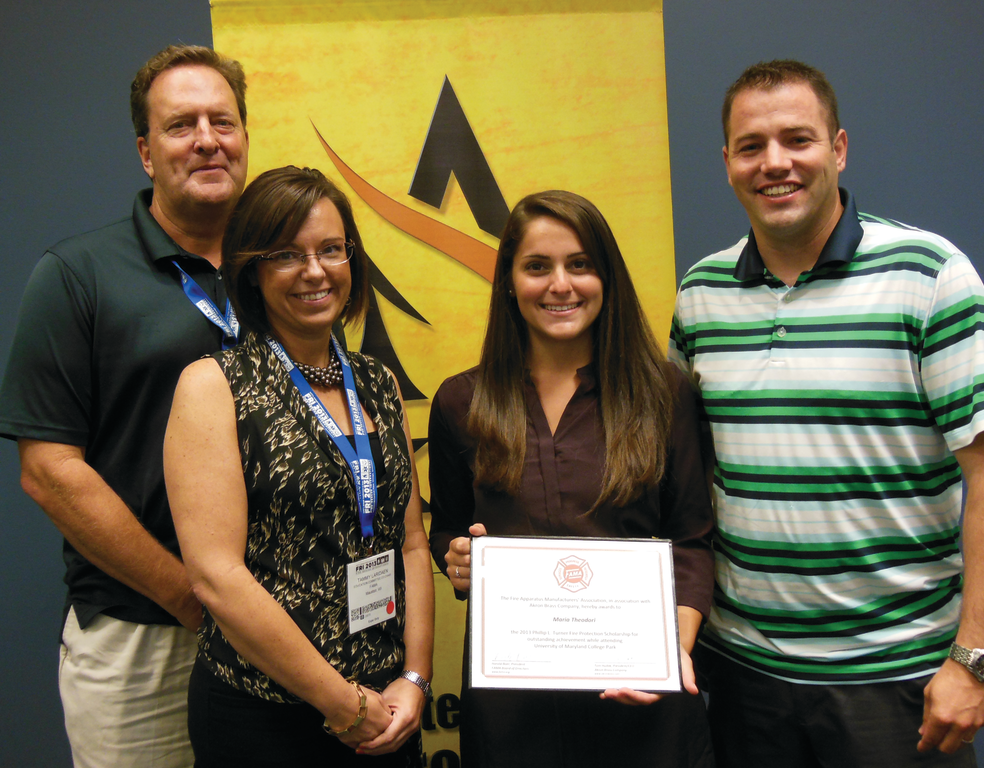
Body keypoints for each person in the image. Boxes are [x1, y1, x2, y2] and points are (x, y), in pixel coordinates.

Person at [669, 59, 984, 767]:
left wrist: (978, 659)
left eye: (797, 140)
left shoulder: (929, 274)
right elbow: (675, 477)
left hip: (895, 681)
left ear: (838, 148)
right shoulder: (700, 294)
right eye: (751, 146)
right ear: (728, 163)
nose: (775, 163)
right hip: (744, 679)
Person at [0, 44, 249, 767]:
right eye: (181, 126)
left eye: (223, 121)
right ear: (146, 152)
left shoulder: (281, 273)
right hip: (149, 632)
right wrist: (189, 595)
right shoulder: (76, 275)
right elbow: (49, 471)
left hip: (281, 628)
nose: (207, 139)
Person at [428, 190, 716, 768]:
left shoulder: (664, 394)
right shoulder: (462, 402)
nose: (560, 285)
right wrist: (457, 558)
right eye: (537, 266)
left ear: (606, 276)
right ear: (509, 281)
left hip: (642, 708)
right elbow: (449, 535)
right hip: (514, 715)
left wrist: (668, 655)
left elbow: (690, 542)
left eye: (579, 264)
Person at [163, 166, 434, 767]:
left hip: (386, 706)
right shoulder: (215, 387)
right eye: (287, 254)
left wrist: (414, 678)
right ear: (252, 272)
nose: (316, 271)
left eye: (331, 250)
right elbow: (217, 578)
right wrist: (343, 705)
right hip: (265, 717)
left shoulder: (378, 382)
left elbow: (411, 543)